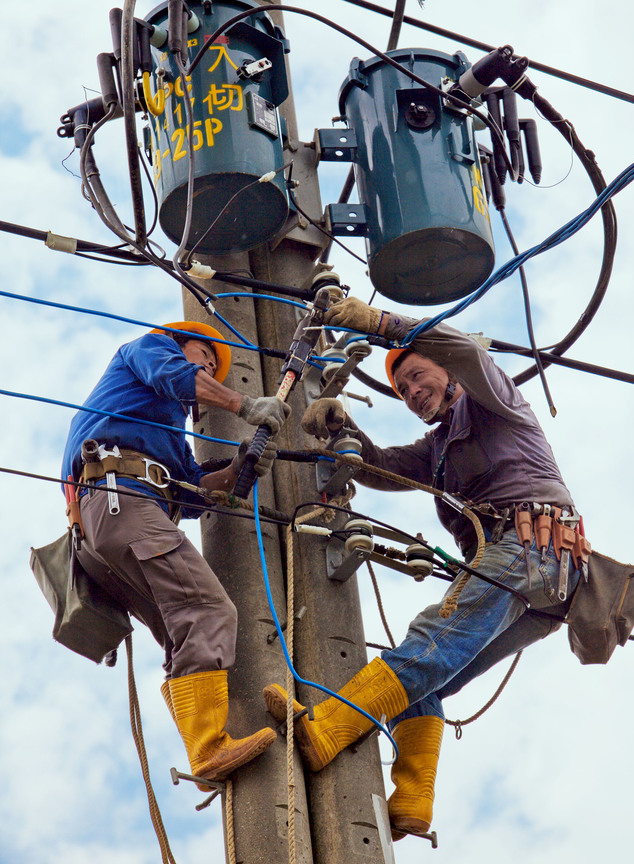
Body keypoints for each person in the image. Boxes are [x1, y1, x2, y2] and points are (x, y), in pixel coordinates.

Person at [263, 297, 586, 839]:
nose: (412, 391)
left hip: (531, 548)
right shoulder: (435, 449)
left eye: (418, 376)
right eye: (403, 388)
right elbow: (381, 468)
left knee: (428, 645)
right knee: (427, 675)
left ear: (448, 372)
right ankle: (412, 800)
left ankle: (328, 730)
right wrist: (342, 427)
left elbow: (465, 351)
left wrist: (381, 325)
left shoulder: (492, 400)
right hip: (542, 584)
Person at [62, 321, 290, 786]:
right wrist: (245, 405)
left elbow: (192, 492)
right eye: (204, 355)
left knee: (180, 631)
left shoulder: (166, 431)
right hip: (120, 501)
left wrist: (240, 468)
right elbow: (175, 375)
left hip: (103, 525)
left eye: (212, 364)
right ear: (177, 341)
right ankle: (207, 747)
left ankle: (204, 748)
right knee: (207, 609)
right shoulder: (148, 348)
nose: (207, 366)